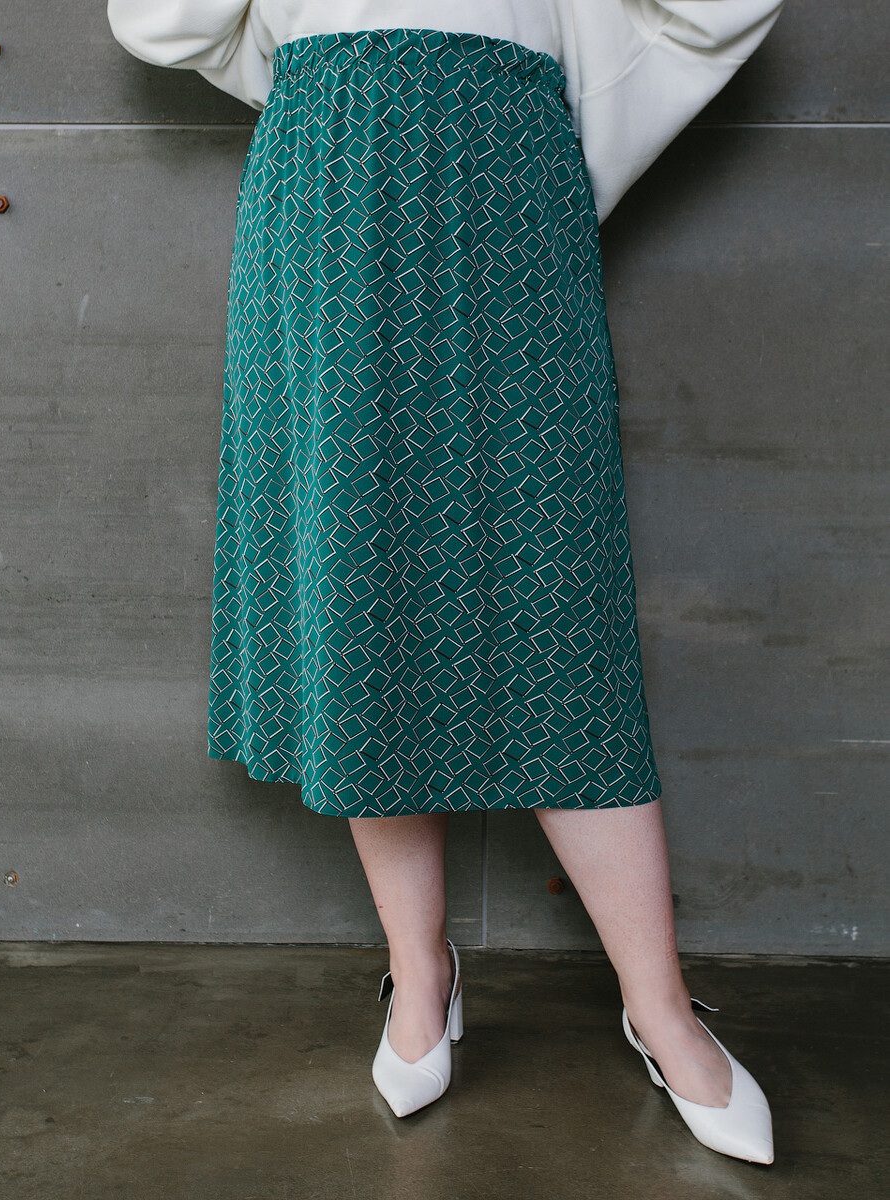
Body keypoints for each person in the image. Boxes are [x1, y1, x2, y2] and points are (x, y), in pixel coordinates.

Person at [107, 0, 784, 1163]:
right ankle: (419, 971)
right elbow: (161, 17)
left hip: (508, 167)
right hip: (327, 171)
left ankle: (659, 1006)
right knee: (361, 580)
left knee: (558, 602)